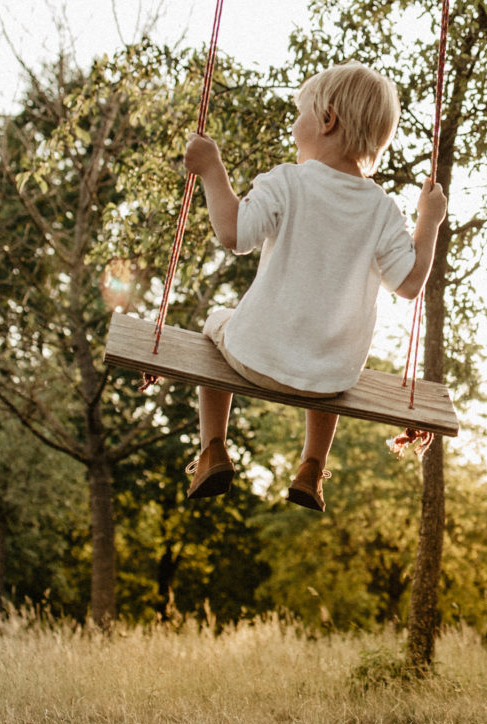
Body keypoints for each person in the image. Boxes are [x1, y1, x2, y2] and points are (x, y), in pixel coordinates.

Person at [183, 60, 447, 512]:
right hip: (329, 380)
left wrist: (211, 170)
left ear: (327, 120)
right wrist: (430, 221)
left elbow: (233, 234)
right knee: (328, 357)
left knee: (216, 323)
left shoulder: (288, 181)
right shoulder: (383, 210)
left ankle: (212, 448)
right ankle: (311, 467)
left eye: (300, 113)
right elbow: (409, 284)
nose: (293, 125)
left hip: (254, 356)